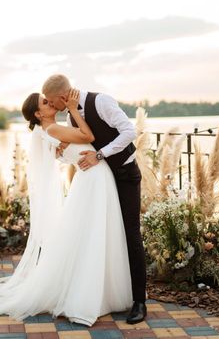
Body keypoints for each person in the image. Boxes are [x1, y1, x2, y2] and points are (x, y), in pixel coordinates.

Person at [0, 89, 132, 326]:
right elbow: (87, 134)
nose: (50, 103)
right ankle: (88, 295)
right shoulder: (53, 129)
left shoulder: (52, 131)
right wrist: (72, 109)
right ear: (39, 113)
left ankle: (100, 291)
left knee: (93, 234)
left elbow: (66, 151)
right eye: (45, 103)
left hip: (93, 179)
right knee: (93, 234)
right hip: (92, 179)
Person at [42, 74, 147, 324]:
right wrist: (61, 149)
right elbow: (80, 141)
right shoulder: (69, 115)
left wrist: (100, 155)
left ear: (61, 97)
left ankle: (139, 301)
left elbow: (129, 132)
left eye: (49, 101)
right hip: (101, 184)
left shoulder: (102, 102)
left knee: (130, 233)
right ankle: (108, 294)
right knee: (105, 233)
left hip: (124, 175)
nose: (50, 105)